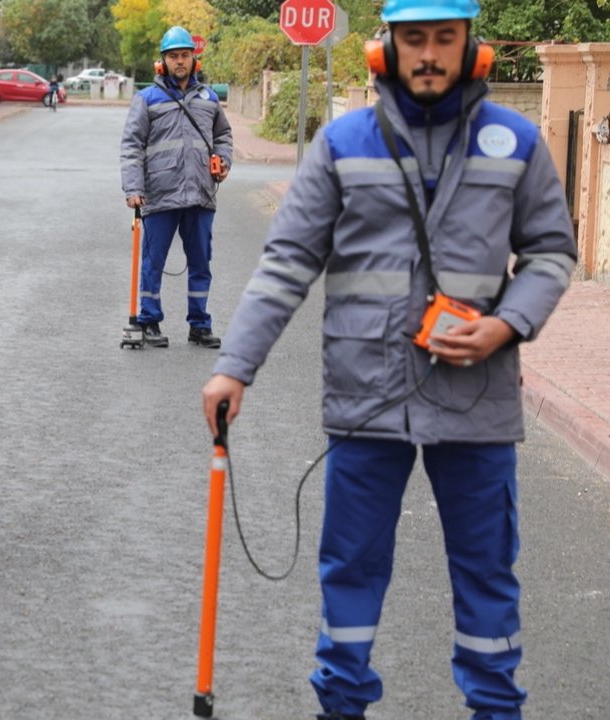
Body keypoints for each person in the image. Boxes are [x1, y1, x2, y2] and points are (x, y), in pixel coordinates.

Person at [201, 0, 576, 716]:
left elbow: (552, 253)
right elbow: (284, 266)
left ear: (473, 48)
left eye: (445, 38)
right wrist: (234, 366)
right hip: (366, 398)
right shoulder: (342, 144)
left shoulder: (519, 141)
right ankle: (340, 705)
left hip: (478, 396)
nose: (429, 53)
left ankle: (496, 710)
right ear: (386, 51)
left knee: (487, 574)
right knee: (351, 569)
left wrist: (506, 326)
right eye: (415, 39)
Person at [120, 26, 232, 349]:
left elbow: (223, 136)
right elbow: (132, 146)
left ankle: (199, 325)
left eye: (185, 55)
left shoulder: (208, 98)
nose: (180, 61)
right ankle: (149, 321)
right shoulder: (147, 99)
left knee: (201, 263)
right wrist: (133, 188)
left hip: (200, 194)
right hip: (159, 194)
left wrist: (223, 161)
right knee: (153, 262)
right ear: (163, 62)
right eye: (173, 56)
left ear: (194, 59)